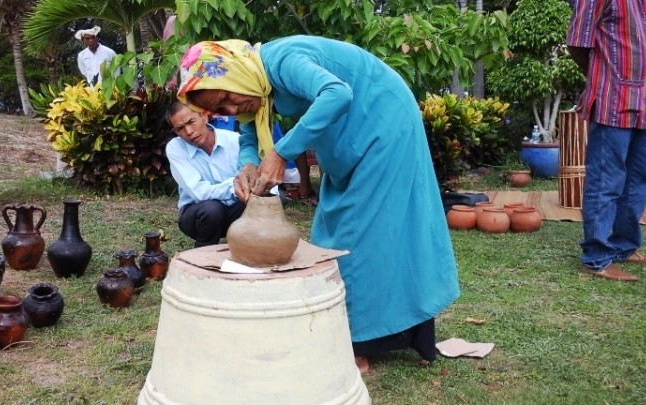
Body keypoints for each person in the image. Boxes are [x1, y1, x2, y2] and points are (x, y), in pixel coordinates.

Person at [176, 36, 461, 373]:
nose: (231, 110)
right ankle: (357, 327)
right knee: (334, 227)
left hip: (384, 124)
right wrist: (248, 165)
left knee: (359, 235)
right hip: (352, 137)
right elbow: (250, 134)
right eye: (220, 110)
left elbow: (337, 93)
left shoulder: (282, 60)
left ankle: (357, 343)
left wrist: (282, 152)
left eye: (226, 98)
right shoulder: (256, 87)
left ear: (235, 73)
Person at [567, 0, 646, 281]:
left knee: (641, 175)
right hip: (612, 100)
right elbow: (577, 43)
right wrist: (598, 79)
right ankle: (596, 257)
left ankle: (624, 245)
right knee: (606, 180)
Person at [165, 102, 246, 247]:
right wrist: (235, 186)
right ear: (176, 132)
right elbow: (199, 193)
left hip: (235, 212)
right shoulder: (175, 148)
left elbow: (252, 179)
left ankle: (248, 246)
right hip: (198, 215)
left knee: (271, 199)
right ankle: (203, 252)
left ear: (204, 116)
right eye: (181, 128)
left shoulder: (234, 140)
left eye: (191, 122)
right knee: (212, 209)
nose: (189, 131)